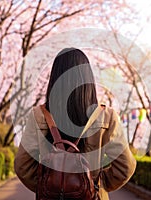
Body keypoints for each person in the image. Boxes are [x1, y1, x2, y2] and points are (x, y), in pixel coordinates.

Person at [14, 47, 136, 199]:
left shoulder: (39, 115)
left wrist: (51, 186)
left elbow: (22, 166)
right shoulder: (107, 117)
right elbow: (126, 167)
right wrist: (95, 185)